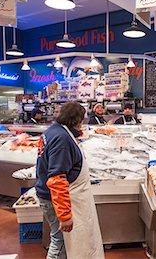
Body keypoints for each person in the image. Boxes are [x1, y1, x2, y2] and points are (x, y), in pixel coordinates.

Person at [35, 102, 104, 259]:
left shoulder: (54, 131)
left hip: (51, 195)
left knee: (63, 242)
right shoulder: (62, 139)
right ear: (76, 119)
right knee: (60, 242)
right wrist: (65, 216)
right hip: (55, 199)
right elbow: (56, 179)